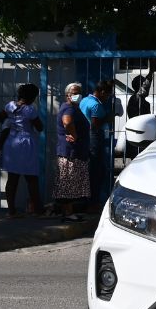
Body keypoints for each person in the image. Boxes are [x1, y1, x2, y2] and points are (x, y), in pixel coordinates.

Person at [0, 82, 45, 218]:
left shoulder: (10, 105)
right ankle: (38, 211)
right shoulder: (30, 109)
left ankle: (11, 211)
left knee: (12, 178)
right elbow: (40, 127)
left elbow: (2, 115)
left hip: (11, 142)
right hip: (26, 143)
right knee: (31, 178)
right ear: (32, 97)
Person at [78, 78, 121, 206]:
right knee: (96, 170)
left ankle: (86, 200)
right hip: (94, 138)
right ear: (102, 92)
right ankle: (93, 202)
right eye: (107, 95)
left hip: (84, 136)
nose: (108, 98)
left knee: (89, 169)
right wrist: (108, 118)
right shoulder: (96, 105)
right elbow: (95, 124)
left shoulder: (84, 100)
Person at [52, 83, 91, 221]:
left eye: (79, 92)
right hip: (70, 152)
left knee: (71, 182)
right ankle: (67, 213)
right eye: (74, 93)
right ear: (67, 95)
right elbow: (67, 121)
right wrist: (74, 135)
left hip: (74, 151)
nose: (77, 95)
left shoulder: (74, 108)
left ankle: (69, 211)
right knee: (68, 182)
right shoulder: (69, 108)